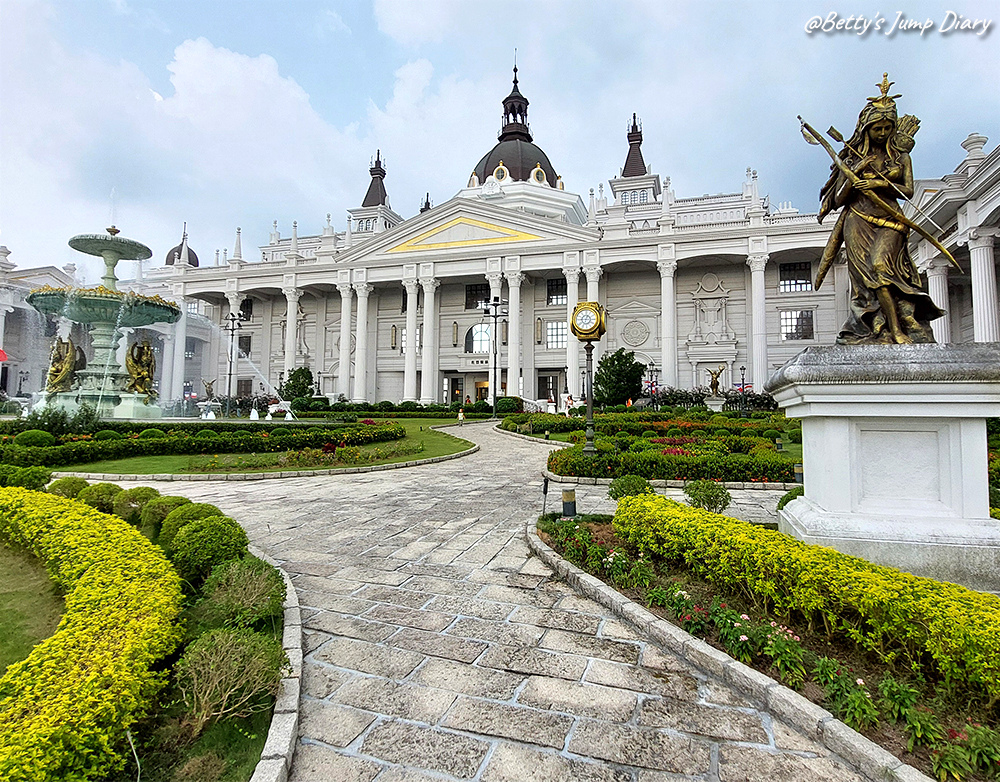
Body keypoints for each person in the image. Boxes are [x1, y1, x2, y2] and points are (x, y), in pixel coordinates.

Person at [819, 74, 941, 344]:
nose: (883, 133)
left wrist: (878, 182)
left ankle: (899, 328)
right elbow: (838, 199)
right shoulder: (851, 158)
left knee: (881, 267)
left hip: (890, 220)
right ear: (866, 128)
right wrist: (854, 177)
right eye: (877, 128)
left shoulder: (900, 156)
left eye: (887, 128)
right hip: (857, 221)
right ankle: (880, 327)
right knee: (865, 282)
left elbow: (907, 190)